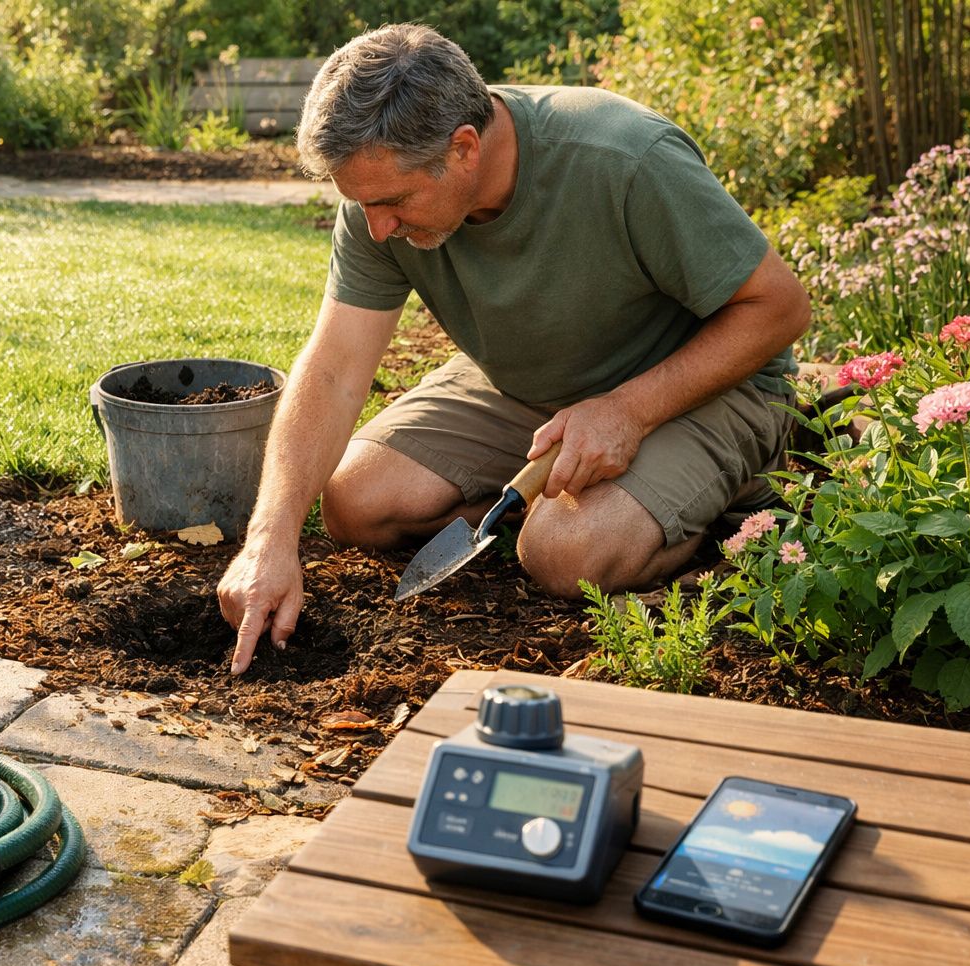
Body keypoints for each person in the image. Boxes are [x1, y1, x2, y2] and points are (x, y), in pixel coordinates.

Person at [217, 24, 811, 675]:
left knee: (564, 554)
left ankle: (734, 493)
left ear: (464, 147)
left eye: (393, 203)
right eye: (364, 205)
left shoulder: (624, 159)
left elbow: (780, 307)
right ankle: (537, 506)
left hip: (704, 388)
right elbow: (331, 371)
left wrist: (629, 411)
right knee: (353, 503)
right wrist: (268, 540)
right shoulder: (376, 197)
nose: (378, 226)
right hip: (528, 384)